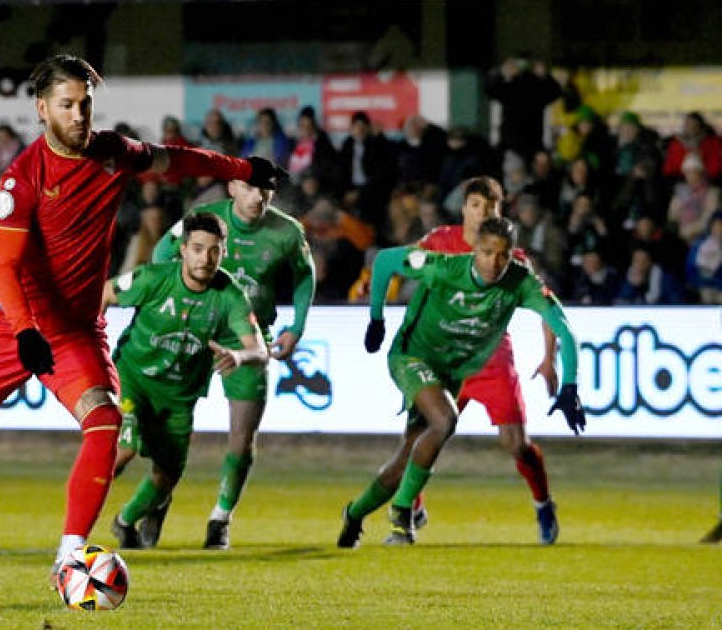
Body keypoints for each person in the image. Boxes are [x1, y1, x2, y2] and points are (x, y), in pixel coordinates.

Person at [0, 54, 284, 579]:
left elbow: (175, 158)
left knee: (105, 422)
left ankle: (70, 556)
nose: (79, 115)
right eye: (67, 105)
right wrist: (27, 330)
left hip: (75, 332)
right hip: (12, 326)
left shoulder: (113, 153)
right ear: (41, 109)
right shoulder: (21, 180)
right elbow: (5, 268)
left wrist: (242, 169)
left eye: (85, 104)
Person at [337, 217, 583, 548]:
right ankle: (401, 511)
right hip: (414, 357)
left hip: (456, 370)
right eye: (485, 253)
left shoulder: (519, 281)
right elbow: (384, 261)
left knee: (408, 456)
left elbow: (564, 328)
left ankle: (354, 514)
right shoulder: (443, 266)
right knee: (445, 419)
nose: (493, 263)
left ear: (512, 254)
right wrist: (376, 318)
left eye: (502, 255)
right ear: (473, 250)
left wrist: (570, 385)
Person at [141, 159, 316, 550]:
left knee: (242, 436)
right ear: (232, 187)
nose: (258, 197)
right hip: (195, 333)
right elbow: (159, 256)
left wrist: (296, 327)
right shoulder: (202, 221)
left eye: (266, 190)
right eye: (251, 187)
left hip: (248, 339)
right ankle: (156, 499)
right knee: (171, 432)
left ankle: (220, 518)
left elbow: (306, 277)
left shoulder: (288, 232)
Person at [406, 178, 564, 543]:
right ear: (464, 208)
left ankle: (543, 504)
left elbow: (550, 310)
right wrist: (376, 284)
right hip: (446, 361)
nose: (483, 213)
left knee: (515, 444)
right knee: (420, 435)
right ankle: (411, 507)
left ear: (500, 211)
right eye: (476, 205)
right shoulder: (439, 240)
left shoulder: (512, 259)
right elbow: (403, 260)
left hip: (492, 361)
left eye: (491, 207)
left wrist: (548, 358)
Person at [104, 212, 267, 549]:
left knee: (167, 476)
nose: (205, 258)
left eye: (213, 250)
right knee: (124, 449)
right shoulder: (153, 279)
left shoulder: (229, 295)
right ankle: (73, 537)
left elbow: (259, 350)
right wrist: (94, 342)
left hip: (179, 395)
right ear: (182, 249)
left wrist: (238, 356)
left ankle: (124, 520)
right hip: (133, 379)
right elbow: (104, 293)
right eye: (197, 248)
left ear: (223, 253)